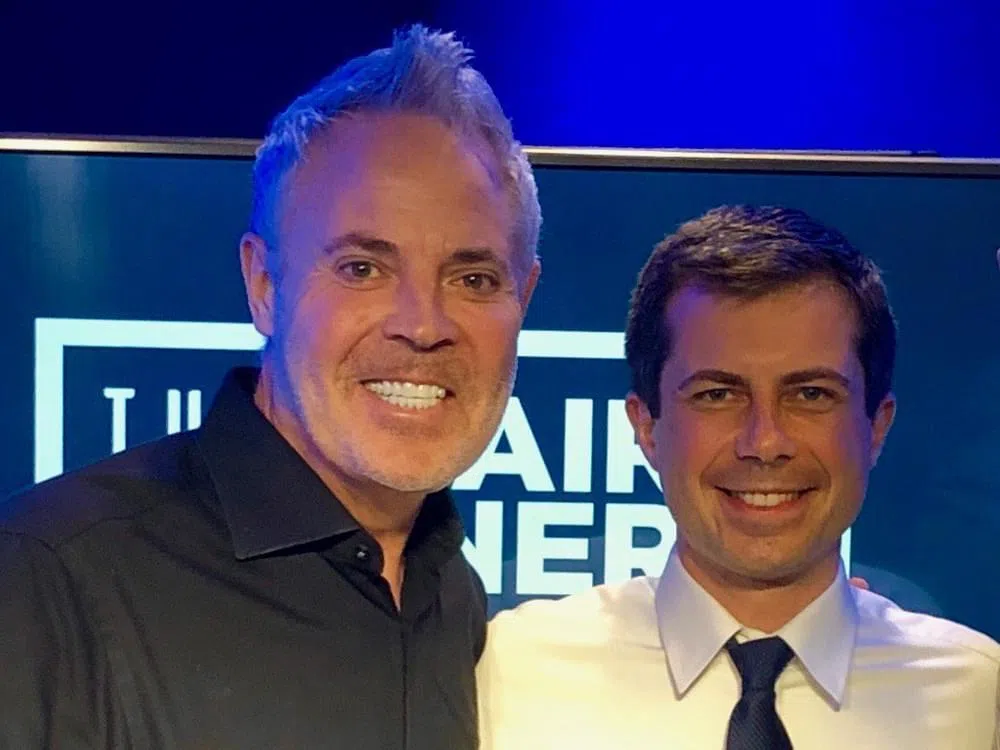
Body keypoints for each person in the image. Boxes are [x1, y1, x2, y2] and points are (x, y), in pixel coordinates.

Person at [0, 25, 540, 749]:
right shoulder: (49, 578)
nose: (422, 326)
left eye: (473, 279)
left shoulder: (452, 596)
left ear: (524, 299)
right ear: (263, 284)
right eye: (362, 269)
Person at [478, 205, 999, 749]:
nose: (764, 443)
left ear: (877, 426)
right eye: (717, 395)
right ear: (647, 427)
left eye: (811, 394)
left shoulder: (976, 696)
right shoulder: (508, 675)